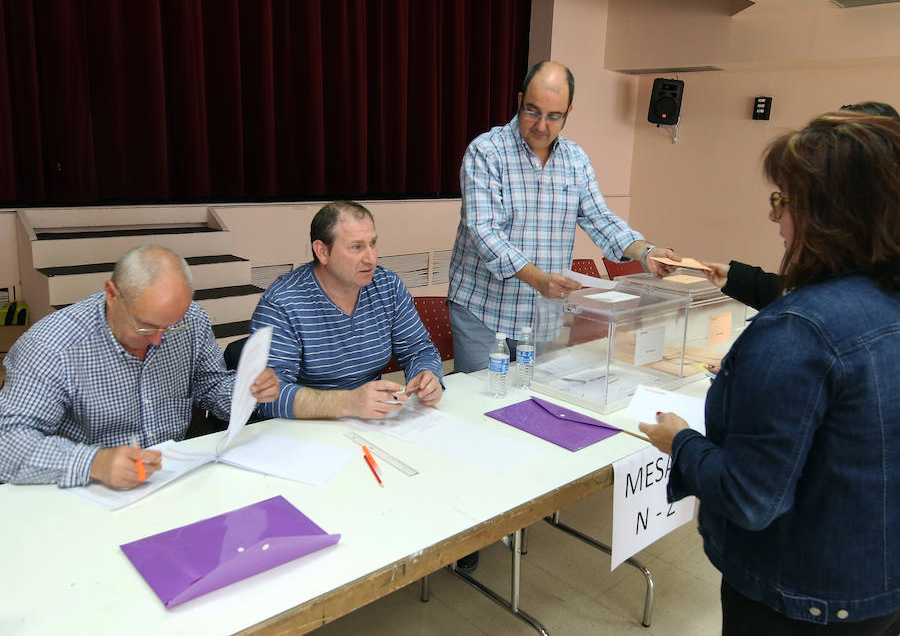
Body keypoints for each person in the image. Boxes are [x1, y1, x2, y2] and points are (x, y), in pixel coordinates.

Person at [640, 112, 900, 634]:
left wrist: (681, 442)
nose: (774, 218)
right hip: (876, 583)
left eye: (782, 200)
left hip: (796, 598)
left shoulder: (797, 331)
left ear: (828, 212)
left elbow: (749, 497)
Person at [447, 60, 680, 373]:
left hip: (542, 318)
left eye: (554, 116)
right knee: (480, 406)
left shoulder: (575, 159)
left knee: (535, 406)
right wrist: (539, 279)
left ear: (569, 112)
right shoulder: (486, 153)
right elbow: (485, 233)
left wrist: (645, 251)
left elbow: (600, 218)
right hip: (485, 314)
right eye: (532, 111)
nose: (541, 125)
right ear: (519, 101)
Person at [0, 246, 280, 489]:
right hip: (89, 491)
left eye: (169, 326)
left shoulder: (191, 321)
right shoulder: (53, 345)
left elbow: (210, 385)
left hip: (172, 477)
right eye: (146, 326)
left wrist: (246, 390)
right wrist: (93, 462)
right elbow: (8, 444)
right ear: (112, 294)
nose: (158, 339)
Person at [250, 200, 443, 420]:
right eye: (356, 247)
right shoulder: (283, 302)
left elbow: (418, 349)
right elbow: (268, 396)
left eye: (373, 244)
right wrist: (348, 402)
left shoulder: (387, 285)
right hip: (306, 428)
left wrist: (427, 375)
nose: (370, 258)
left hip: (371, 421)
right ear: (322, 252)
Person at [701, 100, 899, 311]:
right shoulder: (878, 288)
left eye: (787, 199)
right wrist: (734, 277)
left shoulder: (812, 320)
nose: (774, 216)